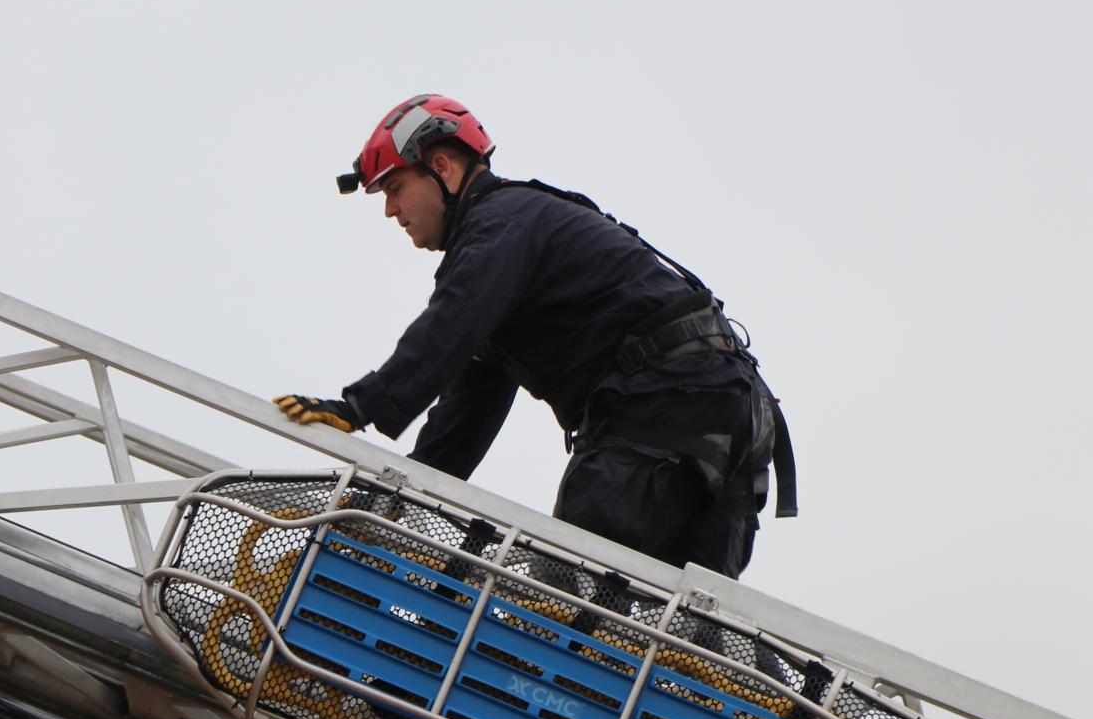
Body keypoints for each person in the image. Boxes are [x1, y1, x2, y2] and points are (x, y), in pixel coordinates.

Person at [274, 94, 794, 579]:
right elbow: (467, 410)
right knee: (689, 639)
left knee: (558, 597)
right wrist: (400, 498)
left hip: (662, 413)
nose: (390, 210)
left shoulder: (500, 224)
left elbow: (453, 321)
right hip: (731, 424)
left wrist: (359, 407)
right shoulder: (514, 248)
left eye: (394, 187)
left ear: (441, 167)